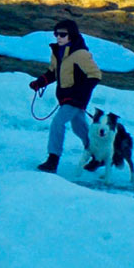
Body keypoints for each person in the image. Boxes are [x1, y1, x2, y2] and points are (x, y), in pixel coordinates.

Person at [28, 19, 102, 173]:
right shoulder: (57, 52)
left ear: (71, 35)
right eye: (56, 34)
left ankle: (53, 159)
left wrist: (80, 94)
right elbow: (53, 72)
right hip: (65, 97)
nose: (58, 37)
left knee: (58, 123)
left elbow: (95, 75)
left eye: (62, 34)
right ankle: (98, 156)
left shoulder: (80, 54)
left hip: (75, 98)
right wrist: (40, 82)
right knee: (79, 127)